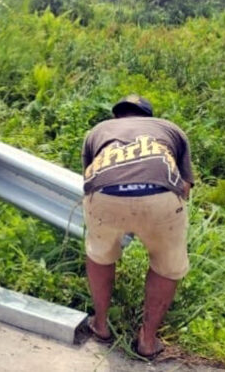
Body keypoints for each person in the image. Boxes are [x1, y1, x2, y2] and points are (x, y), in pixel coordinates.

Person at [81, 95, 193, 360]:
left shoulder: (98, 131)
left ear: (117, 117)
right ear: (149, 116)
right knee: (167, 265)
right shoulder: (169, 128)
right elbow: (186, 187)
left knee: (100, 254)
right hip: (161, 196)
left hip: (104, 194)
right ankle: (147, 339)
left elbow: (89, 178)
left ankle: (101, 324)